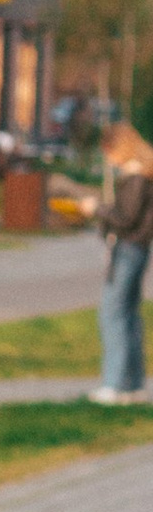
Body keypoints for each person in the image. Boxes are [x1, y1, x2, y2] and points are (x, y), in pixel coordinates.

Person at [91, 123, 153, 407]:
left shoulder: (136, 178)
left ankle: (113, 383)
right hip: (138, 249)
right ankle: (133, 384)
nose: (108, 160)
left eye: (109, 153)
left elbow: (125, 218)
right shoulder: (143, 175)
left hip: (128, 250)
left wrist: (98, 210)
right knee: (129, 316)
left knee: (112, 315)